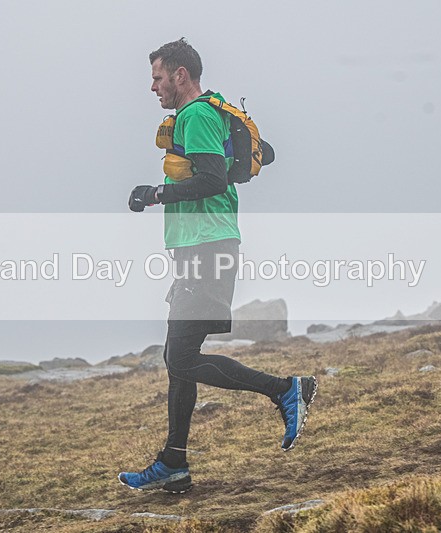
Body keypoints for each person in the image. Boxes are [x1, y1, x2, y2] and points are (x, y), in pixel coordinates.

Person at [118, 38, 317, 494]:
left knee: (180, 357)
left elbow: (209, 179)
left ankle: (286, 389)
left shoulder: (197, 115)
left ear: (180, 75)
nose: (153, 87)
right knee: (178, 361)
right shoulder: (205, 112)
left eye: (157, 77)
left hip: (208, 247)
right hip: (199, 248)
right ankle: (174, 464)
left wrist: (154, 193)